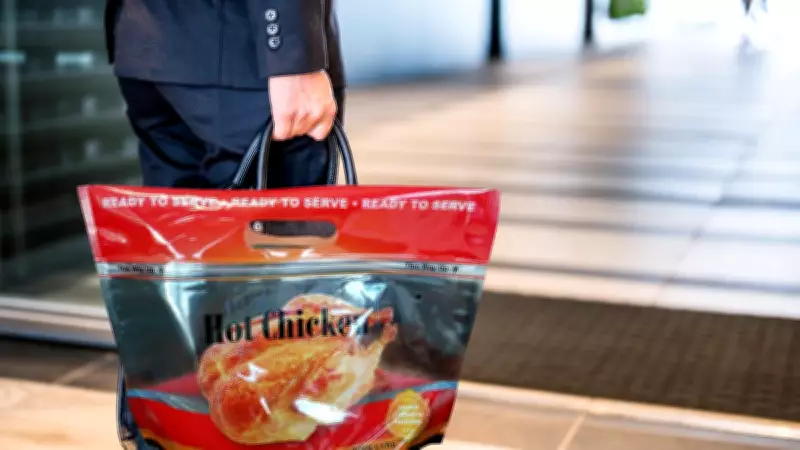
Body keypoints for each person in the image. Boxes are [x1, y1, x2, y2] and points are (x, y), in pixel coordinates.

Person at [105, 0, 346, 191]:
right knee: (276, 229)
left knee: (179, 227)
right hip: (244, 57)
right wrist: (291, 56)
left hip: (144, 45)